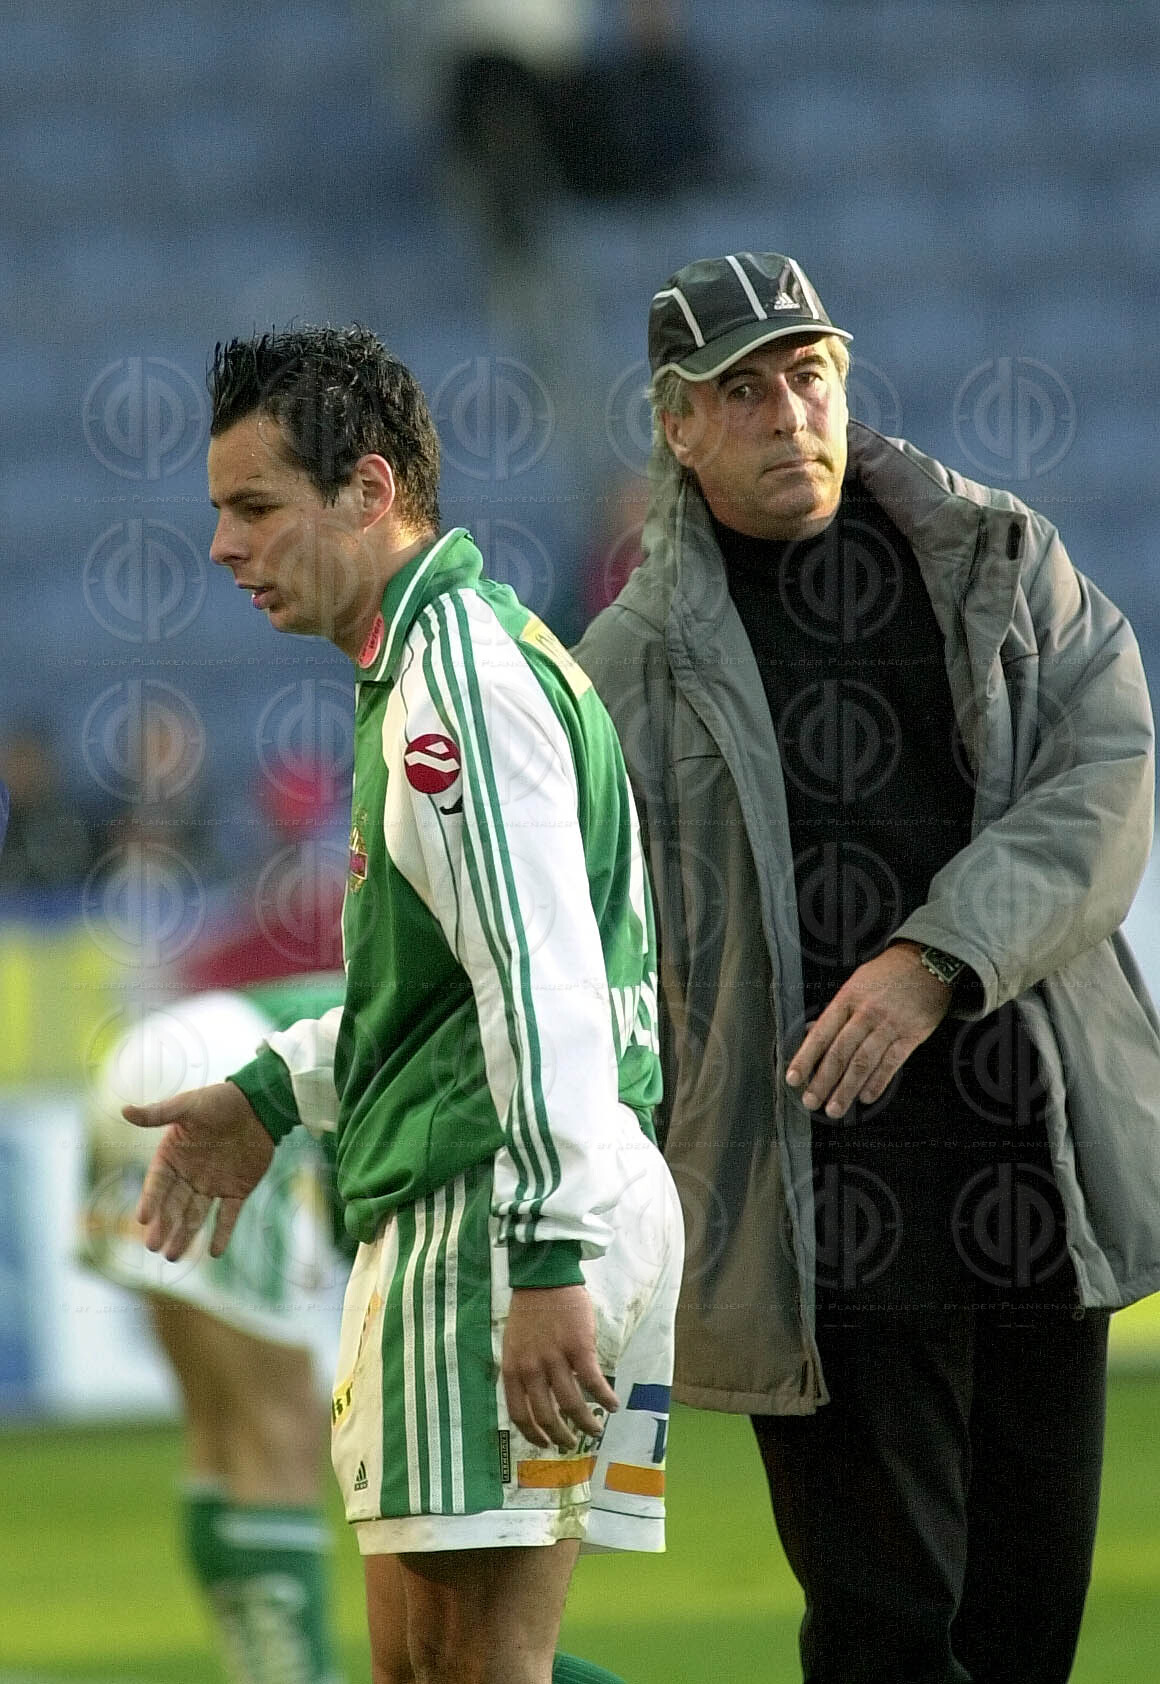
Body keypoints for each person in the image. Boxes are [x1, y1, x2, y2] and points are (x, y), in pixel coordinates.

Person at [573, 250, 1160, 1684]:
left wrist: (931, 958)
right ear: (677, 425)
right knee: (885, 1638)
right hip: (816, 1219)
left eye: (809, 374)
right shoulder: (623, 668)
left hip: (1033, 1179)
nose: (789, 413)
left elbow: (1105, 777)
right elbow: (594, 957)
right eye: (743, 390)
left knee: (1028, 1633)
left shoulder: (1000, 555)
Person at [125, 326, 682, 1684]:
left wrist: (545, 1257)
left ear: (369, 490)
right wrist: (273, 1093)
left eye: (256, 507)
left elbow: (543, 984)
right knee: (427, 1667)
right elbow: (438, 994)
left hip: (496, 1211)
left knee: (473, 1668)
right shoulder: (437, 665)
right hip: (507, 1196)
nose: (224, 547)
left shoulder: (452, 693)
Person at [81, 974, 350, 1684]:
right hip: (228, 1077)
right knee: (281, 1424)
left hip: (147, 1058)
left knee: (221, 1426)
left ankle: (261, 1667)